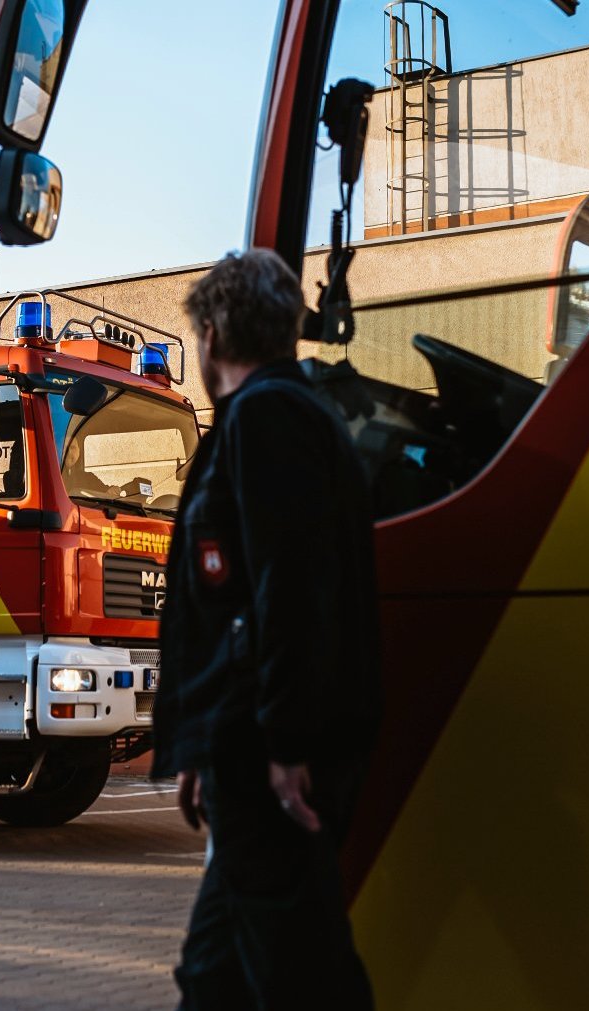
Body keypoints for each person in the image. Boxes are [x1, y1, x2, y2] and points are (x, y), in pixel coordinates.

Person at [152, 249, 380, 1009]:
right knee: (213, 976)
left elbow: (290, 588)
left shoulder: (268, 417)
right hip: (244, 741)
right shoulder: (299, 412)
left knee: (303, 977)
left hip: (267, 750)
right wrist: (198, 747)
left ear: (212, 334)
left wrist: (284, 742)